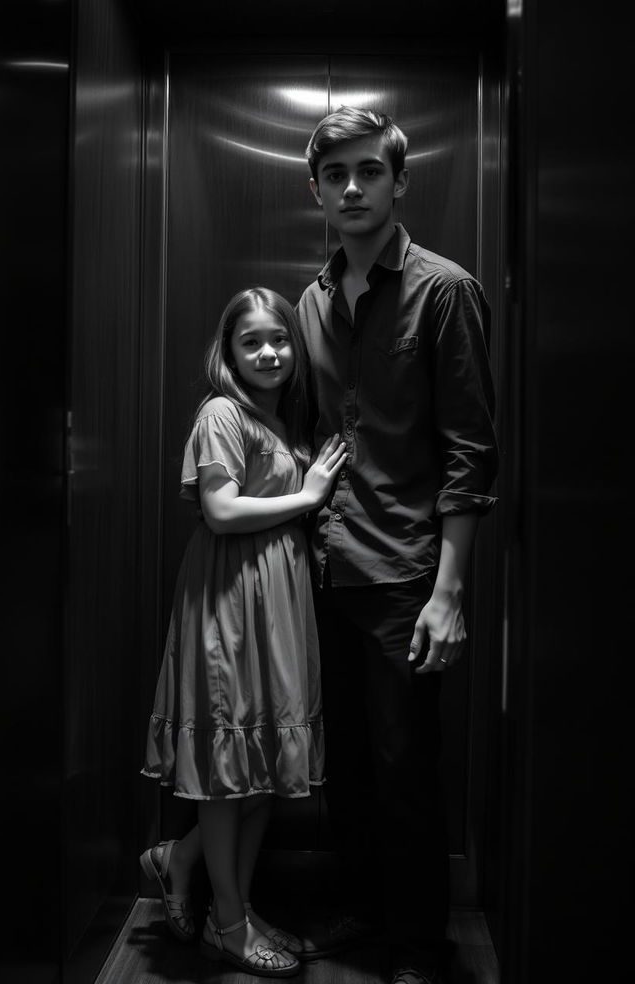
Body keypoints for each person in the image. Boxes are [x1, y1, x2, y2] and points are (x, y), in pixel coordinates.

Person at [296, 107, 499, 984]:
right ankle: (364, 909)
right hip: (323, 565)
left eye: (369, 172)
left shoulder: (444, 289)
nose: (352, 187)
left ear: (398, 181)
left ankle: (419, 943)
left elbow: (470, 452)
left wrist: (449, 594)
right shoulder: (309, 299)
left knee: (405, 765)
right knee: (342, 758)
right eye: (335, 173)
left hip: (408, 574)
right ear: (316, 189)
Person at [139, 287, 346, 978]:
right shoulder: (222, 411)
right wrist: (311, 494)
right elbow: (222, 510)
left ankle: (214, 885)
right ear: (227, 351)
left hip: (274, 602)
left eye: (280, 339)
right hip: (230, 600)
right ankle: (227, 925)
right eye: (251, 340)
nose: (268, 352)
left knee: (259, 772)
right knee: (232, 775)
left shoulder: (273, 417)